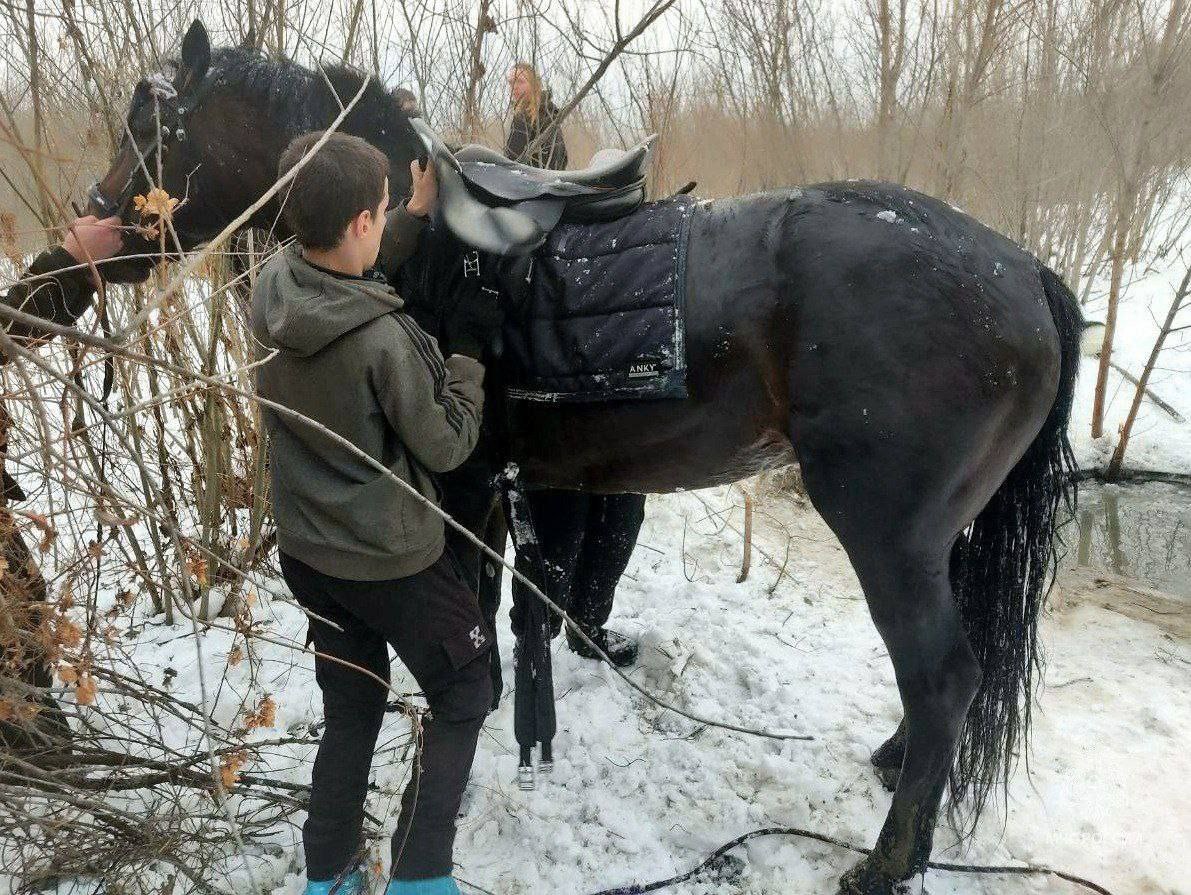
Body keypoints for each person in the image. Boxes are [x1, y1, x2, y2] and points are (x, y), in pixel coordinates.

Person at [251, 132, 502, 895]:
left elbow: (346, 269)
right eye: (384, 209)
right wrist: (466, 356)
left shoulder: (272, 286)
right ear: (361, 222)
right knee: (466, 688)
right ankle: (422, 876)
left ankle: (326, 875)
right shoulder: (386, 339)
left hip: (308, 554)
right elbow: (448, 441)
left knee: (354, 700)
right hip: (389, 561)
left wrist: (414, 213)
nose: (388, 219)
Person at [503, 65, 646, 668]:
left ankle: (587, 621)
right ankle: (538, 632)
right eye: (509, 81)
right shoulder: (518, 126)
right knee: (560, 518)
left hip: (602, 416)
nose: (514, 89)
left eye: (520, 80)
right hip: (557, 420)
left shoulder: (550, 118)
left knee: (620, 509)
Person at [504, 62, 567, 169]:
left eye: (520, 81)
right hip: (552, 182)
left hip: (532, 183)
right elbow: (564, 160)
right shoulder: (550, 112)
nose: (514, 87)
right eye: (511, 83)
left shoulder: (526, 116)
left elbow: (511, 161)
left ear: (534, 85)